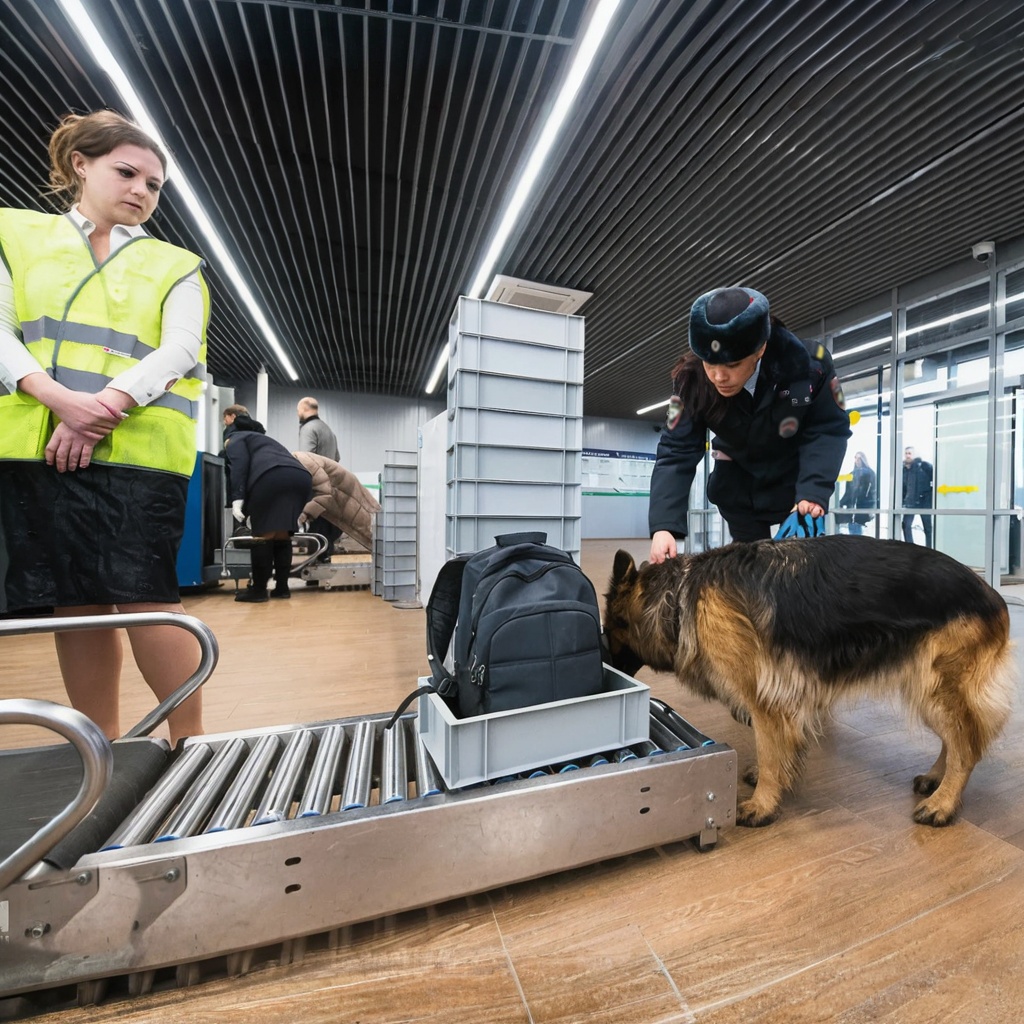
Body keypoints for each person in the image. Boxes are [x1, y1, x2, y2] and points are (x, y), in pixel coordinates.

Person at [0, 110, 209, 745]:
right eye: (127, 173)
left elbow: (179, 349)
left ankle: (191, 742)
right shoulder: (17, 235)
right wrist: (58, 400)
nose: (142, 190)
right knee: (77, 602)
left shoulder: (175, 263)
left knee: (148, 597)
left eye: (154, 184)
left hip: (140, 453)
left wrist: (98, 411)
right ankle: (104, 746)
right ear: (80, 165)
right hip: (40, 447)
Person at [648, 287, 850, 561]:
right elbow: (676, 450)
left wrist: (814, 491)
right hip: (738, 488)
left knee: (801, 570)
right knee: (749, 570)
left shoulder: (810, 365)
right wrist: (664, 526)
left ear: (760, 349)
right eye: (710, 364)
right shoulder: (690, 380)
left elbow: (828, 429)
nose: (719, 377)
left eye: (732, 365)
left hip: (795, 483)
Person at [224, 414, 312, 602]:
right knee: (282, 534)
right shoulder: (267, 441)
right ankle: (282, 588)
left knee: (263, 534)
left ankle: (258, 591)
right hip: (301, 477)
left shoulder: (235, 439)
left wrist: (237, 499)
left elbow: (239, 467)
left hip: (271, 477)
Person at [296, 396, 341, 561]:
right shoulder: (329, 431)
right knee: (326, 524)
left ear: (304, 409)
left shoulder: (308, 428)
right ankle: (325, 556)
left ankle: (314, 561)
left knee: (314, 524)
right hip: (330, 486)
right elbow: (336, 458)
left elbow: (305, 459)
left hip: (315, 486)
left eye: (298, 410)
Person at [837, 451, 877, 535]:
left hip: (863, 511)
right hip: (852, 512)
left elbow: (873, 492)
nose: (857, 460)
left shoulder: (870, 474)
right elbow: (848, 493)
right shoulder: (851, 474)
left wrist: (872, 508)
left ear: (863, 459)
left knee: (859, 534)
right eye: (855, 458)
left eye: (859, 458)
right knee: (853, 533)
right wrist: (840, 503)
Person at [901, 446, 934, 546]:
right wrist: (903, 501)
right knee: (906, 525)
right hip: (910, 502)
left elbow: (936, 480)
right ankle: (910, 547)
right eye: (906, 453)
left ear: (914, 455)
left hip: (925, 502)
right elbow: (903, 487)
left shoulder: (925, 466)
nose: (907, 455)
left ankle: (929, 548)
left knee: (927, 528)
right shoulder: (904, 469)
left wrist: (930, 497)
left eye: (909, 453)